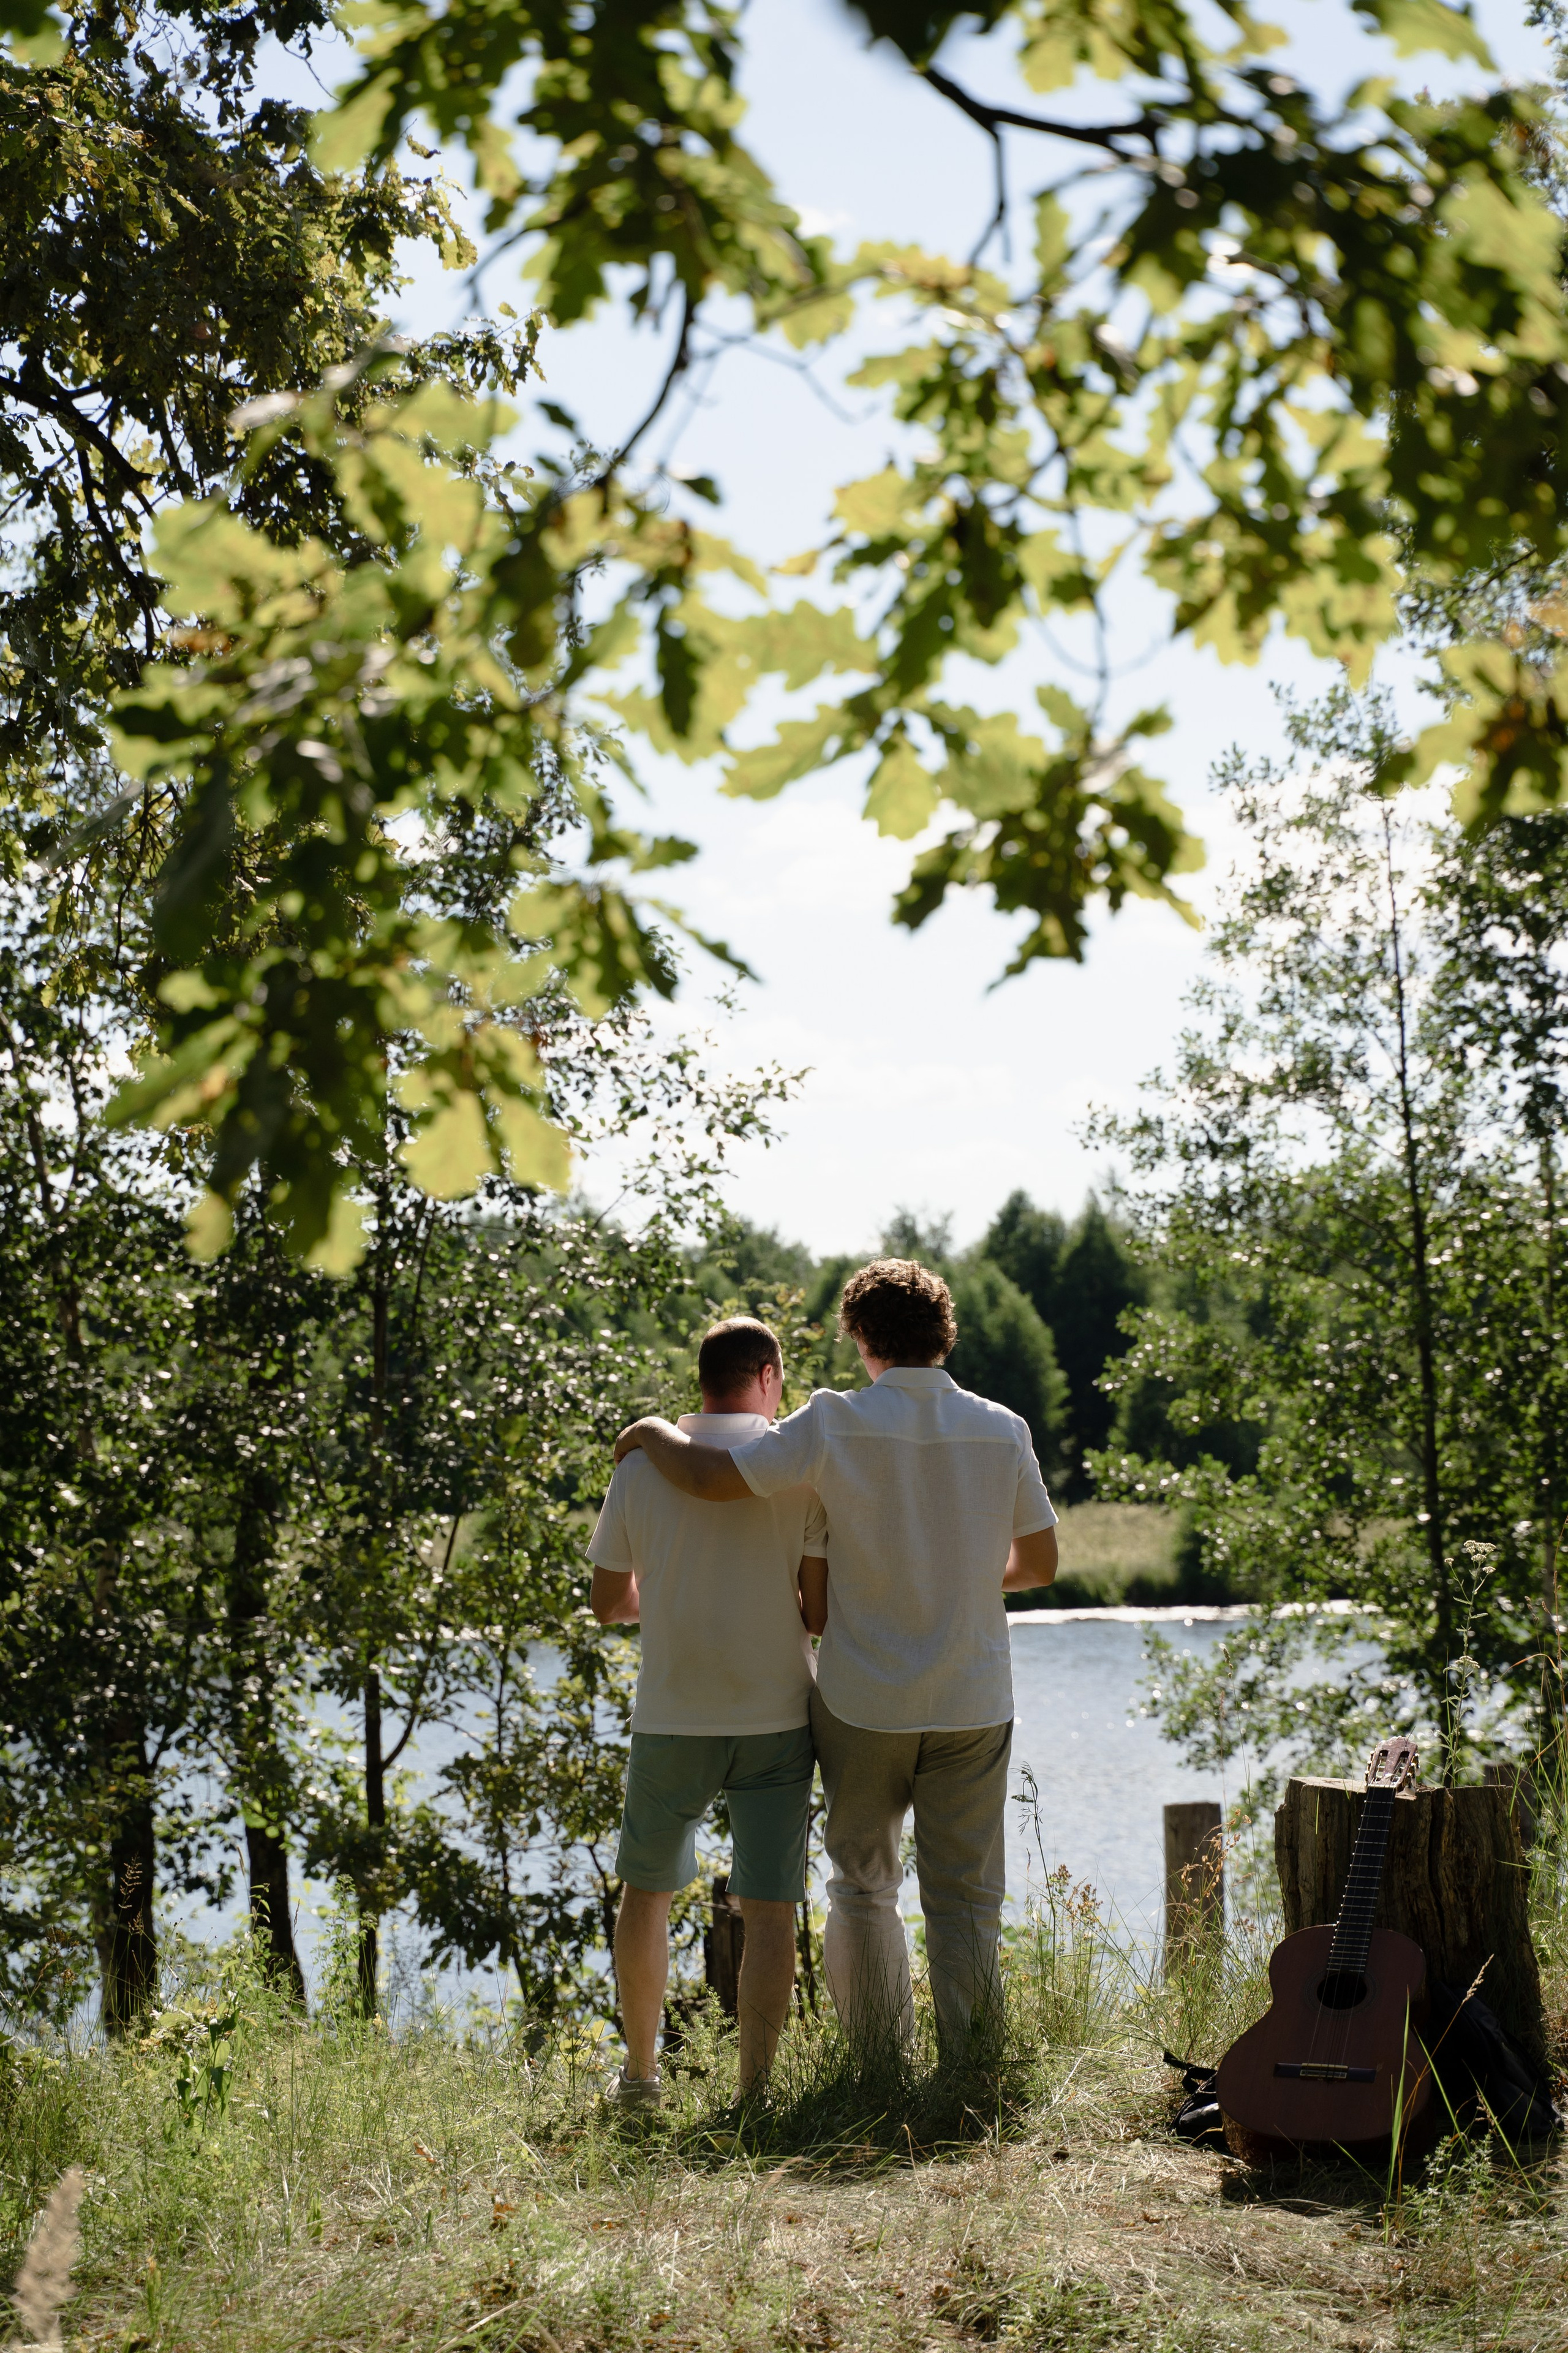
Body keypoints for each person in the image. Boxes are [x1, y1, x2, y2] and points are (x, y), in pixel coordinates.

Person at [614, 1258, 1058, 2061]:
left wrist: (649, 1432)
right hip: (972, 1695)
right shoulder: (1004, 1427)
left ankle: (880, 2064)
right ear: (945, 1333)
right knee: (967, 1898)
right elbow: (1041, 1563)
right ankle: (971, 2067)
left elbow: (715, 1479)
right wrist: (955, 1575)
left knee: (862, 1886)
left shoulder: (832, 1420)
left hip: (863, 1701)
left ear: (860, 1337)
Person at [589, 1315, 827, 2109]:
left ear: (702, 1380)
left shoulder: (638, 1469)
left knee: (646, 1893)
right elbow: (817, 1611)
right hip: (777, 1716)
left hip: (672, 1715)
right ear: (767, 1376)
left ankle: (640, 2079)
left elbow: (607, 1603)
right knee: (771, 1911)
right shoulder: (798, 1470)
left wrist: (664, 1594)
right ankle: (755, 2095)